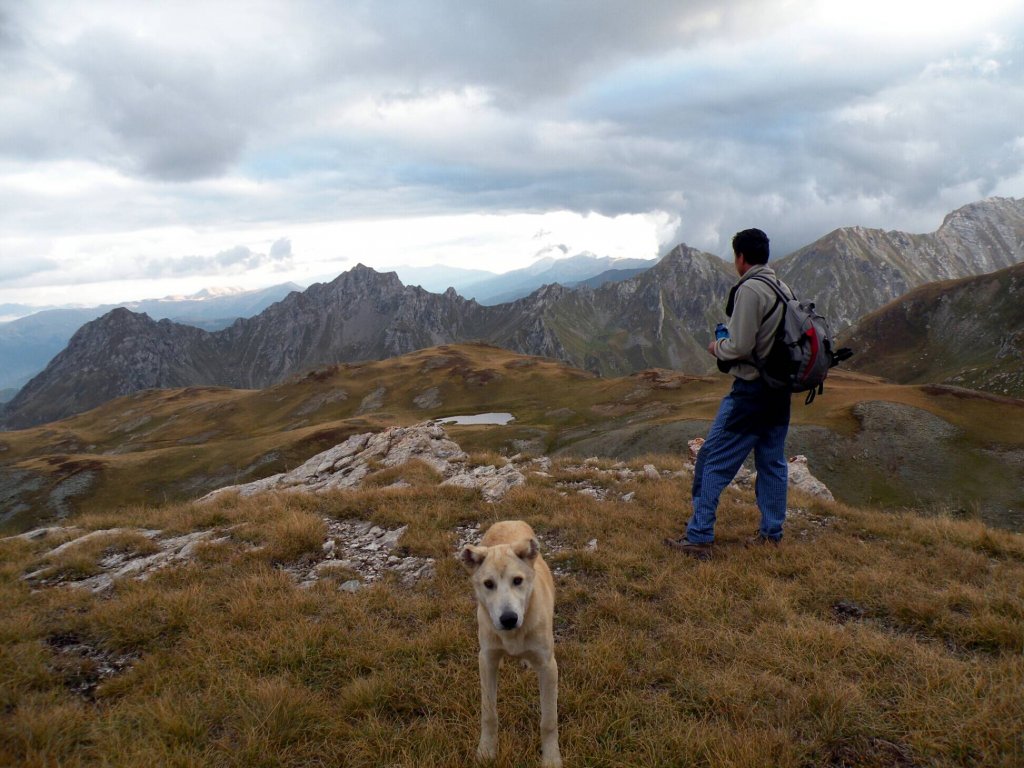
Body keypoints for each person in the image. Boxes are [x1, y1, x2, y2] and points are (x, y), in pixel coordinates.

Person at [665, 228, 793, 560]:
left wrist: (716, 346)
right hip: (779, 393)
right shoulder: (782, 287)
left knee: (712, 461)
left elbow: (740, 346)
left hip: (750, 393)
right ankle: (771, 533)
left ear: (740, 257)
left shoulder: (751, 289)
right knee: (772, 463)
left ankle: (699, 535)